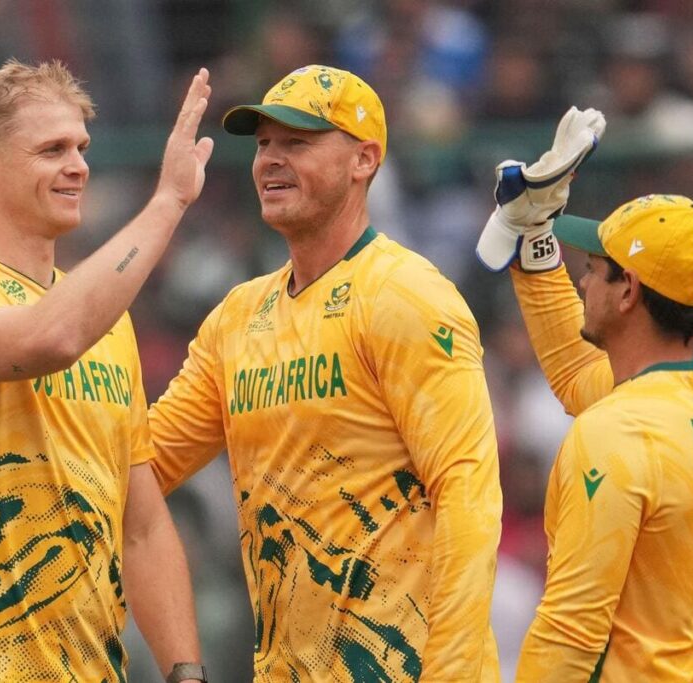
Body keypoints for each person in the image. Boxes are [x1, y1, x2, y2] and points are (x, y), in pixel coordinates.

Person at [146, 65, 503, 681]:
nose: (270, 161)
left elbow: (468, 492)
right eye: (263, 145)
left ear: (364, 159)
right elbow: (144, 463)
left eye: (298, 143)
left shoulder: (405, 294)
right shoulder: (238, 316)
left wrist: (452, 668)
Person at [0, 59, 213, 683]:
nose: (79, 167)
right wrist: (168, 201)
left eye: (83, 148)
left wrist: (185, 671)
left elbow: (140, 524)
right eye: (52, 150)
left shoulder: (110, 323)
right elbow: (51, 336)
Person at [476, 109, 693, 681]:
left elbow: (569, 634)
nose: (581, 278)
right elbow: (578, 374)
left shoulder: (613, 433)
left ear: (627, 290)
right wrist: (535, 240)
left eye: (593, 268)